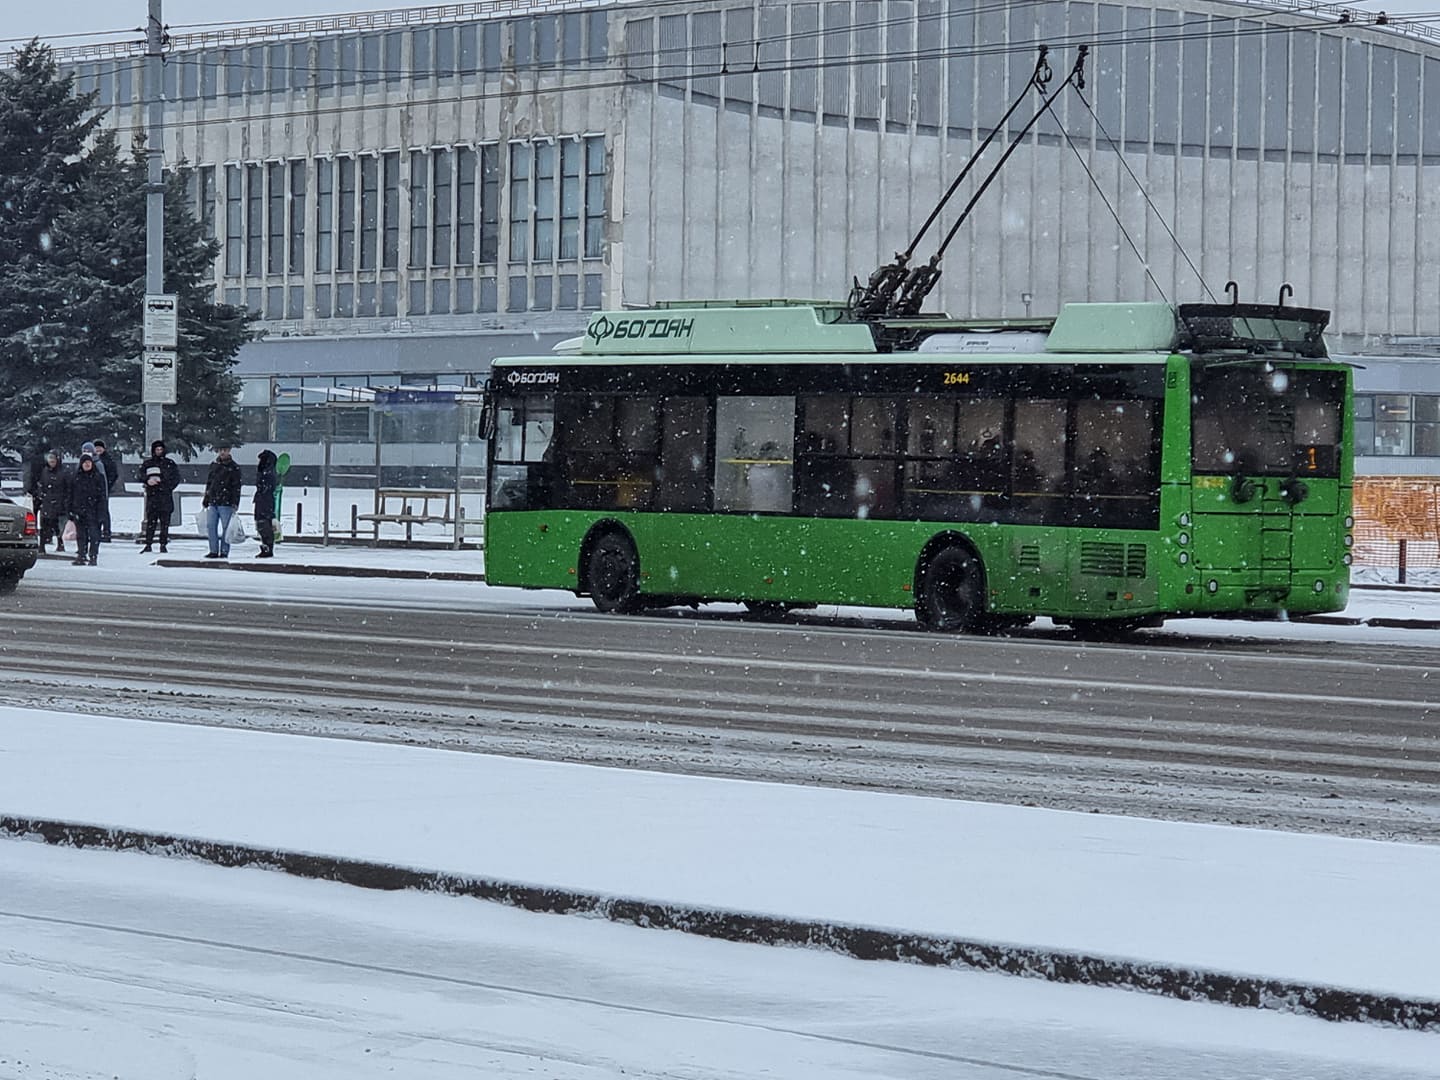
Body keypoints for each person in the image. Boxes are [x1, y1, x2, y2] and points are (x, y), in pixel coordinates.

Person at [138, 440, 181, 553]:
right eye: (157, 450)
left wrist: (164, 484)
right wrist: (147, 481)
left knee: (164, 523)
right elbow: (140, 475)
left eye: (161, 449)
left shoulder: (169, 464)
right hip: (152, 497)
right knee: (151, 522)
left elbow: (176, 478)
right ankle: (148, 544)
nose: (159, 452)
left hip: (165, 497)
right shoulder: (148, 463)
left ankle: (163, 544)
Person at [201, 445, 243, 558]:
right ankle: (213, 550)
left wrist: (235, 502)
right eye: (221, 450)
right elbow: (209, 483)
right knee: (211, 526)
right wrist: (206, 497)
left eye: (225, 450)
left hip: (226, 501)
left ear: (229, 451)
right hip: (213, 500)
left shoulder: (234, 467)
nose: (222, 452)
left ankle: (224, 551)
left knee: (226, 528)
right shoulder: (215, 465)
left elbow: (236, 486)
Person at [28, 450, 72, 553]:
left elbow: (68, 488)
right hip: (46, 502)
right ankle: (42, 545)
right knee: (44, 524)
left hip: (59, 502)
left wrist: (65, 501)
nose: (51, 461)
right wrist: (41, 495)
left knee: (57, 525)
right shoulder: (45, 471)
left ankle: (60, 542)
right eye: (50, 458)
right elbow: (41, 484)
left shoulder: (63, 472)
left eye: (53, 459)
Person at [68, 453, 107, 566]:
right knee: (81, 535)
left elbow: (102, 496)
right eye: (85, 463)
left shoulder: (98, 477)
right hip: (79, 510)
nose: (87, 465)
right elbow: (70, 495)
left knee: (94, 535)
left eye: (89, 462)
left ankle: (93, 556)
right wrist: (70, 510)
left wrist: (102, 513)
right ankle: (81, 554)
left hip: (94, 511)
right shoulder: (76, 477)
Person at [80, 441, 110, 543]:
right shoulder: (80, 464)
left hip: (94, 499)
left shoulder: (98, 464)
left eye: (88, 451)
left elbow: (103, 482)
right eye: (84, 451)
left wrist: (104, 497)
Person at [92, 439, 121, 542]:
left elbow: (113, 474)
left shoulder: (108, 460)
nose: (98, 449)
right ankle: (98, 532)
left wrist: (107, 485)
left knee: (103, 511)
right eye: (96, 447)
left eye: (100, 447)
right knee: (96, 512)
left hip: (104, 490)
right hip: (95, 490)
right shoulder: (93, 459)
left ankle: (106, 533)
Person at [254, 449, 278, 558]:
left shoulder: (267, 473)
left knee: (263, 523)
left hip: (264, 500)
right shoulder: (268, 471)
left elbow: (265, 487)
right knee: (263, 523)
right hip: (264, 500)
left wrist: (262, 492)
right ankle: (266, 546)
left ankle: (267, 547)